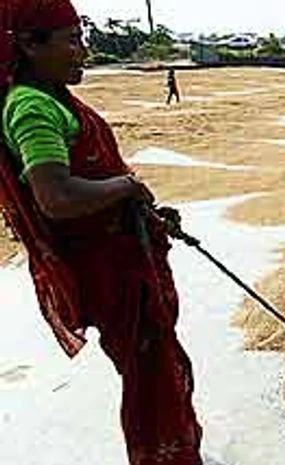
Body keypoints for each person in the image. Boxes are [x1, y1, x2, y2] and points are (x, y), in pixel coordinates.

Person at [0, 1, 203, 463]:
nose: (83, 52)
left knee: (159, 370)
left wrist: (141, 208)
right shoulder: (32, 108)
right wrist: (127, 186)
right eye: (71, 40)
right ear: (30, 45)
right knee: (151, 383)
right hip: (110, 271)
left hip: (123, 259)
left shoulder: (53, 97)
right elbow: (58, 197)